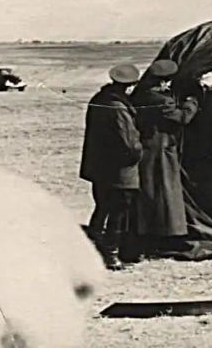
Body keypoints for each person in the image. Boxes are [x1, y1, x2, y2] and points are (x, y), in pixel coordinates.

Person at [79, 64, 143, 270]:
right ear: (129, 86)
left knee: (102, 208)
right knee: (118, 212)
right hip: (120, 170)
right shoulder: (118, 108)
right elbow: (129, 143)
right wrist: (139, 153)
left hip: (100, 167)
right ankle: (111, 254)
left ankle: (92, 250)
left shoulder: (99, 99)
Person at [131, 59, 199, 248]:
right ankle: (169, 234)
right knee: (166, 192)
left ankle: (146, 232)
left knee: (149, 190)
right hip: (161, 149)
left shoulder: (141, 95)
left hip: (146, 148)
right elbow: (183, 118)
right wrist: (191, 102)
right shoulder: (162, 101)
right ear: (163, 81)